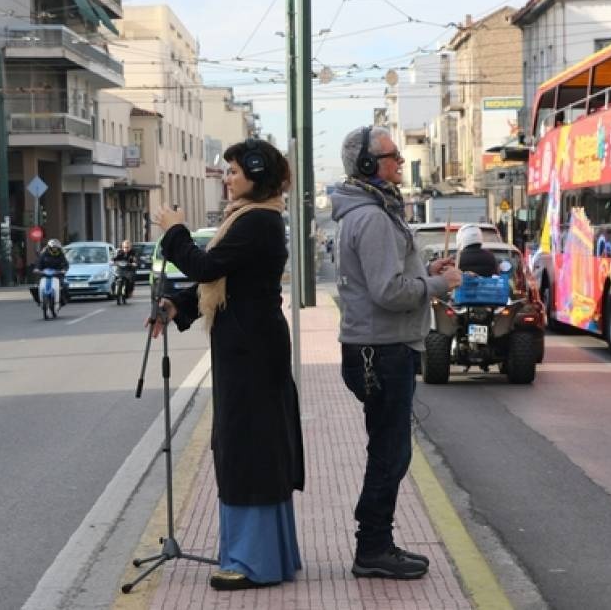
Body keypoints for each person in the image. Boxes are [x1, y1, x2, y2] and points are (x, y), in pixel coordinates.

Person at [149, 138, 304, 592]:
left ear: (256, 174)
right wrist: (178, 306)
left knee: (246, 448)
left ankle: (252, 562)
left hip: (250, 351)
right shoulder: (252, 218)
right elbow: (227, 279)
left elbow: (206, 267)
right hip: (249, 346)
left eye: (234, 171)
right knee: (247, 446)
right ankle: (262, 554)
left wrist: (175, 231)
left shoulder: (257, 221)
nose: (228, 179)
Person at [331, 126, 462, 580]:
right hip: (381, 351)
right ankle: (372, 548)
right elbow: (387, 291)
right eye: (393, 156)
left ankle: (376, 543)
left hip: (378, 347)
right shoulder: (371, 217)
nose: (401, 163)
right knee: (390, 453)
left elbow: (386, 277)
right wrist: (438, 284)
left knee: (388, 450)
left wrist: (425, 272)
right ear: (368, 164)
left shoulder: (371, 210)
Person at [36, 239, 69, 305]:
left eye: (56, 247)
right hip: (45, 273)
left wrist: (64, 270)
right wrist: (37, 269)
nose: (54, 249)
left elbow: (66, 264)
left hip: (57, 273)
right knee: (36, 286)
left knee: (64, 285)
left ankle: (63, 300)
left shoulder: (61, 255)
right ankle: (39, 300)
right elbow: (39, 262)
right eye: (53, 247)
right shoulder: (44, 254)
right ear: (49, 247)